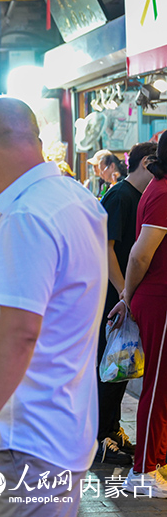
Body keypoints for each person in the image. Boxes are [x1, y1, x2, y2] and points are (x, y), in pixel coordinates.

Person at [0, 97, 106, 516]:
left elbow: (18, 331)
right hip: (58, 424)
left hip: (23, 434)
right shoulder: (73, 198)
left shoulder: (26, 218)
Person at [108, 133, 167, 497]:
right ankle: (143, 470)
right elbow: (138, 255)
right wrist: (127, 296)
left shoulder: (158, 188)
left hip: (155, 297)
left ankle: (155, 462)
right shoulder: (161, 193)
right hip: (158, 300)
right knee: (157, 388)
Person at [94, 142, 156, 466]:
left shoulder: (139, 197)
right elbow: (105, 248)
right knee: (109, 364)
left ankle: (113, 431)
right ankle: (100, 439)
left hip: (123, 296)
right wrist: (123, 292)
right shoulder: (119, 196)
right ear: (146, 162)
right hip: (111, 296)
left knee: (122, 363)